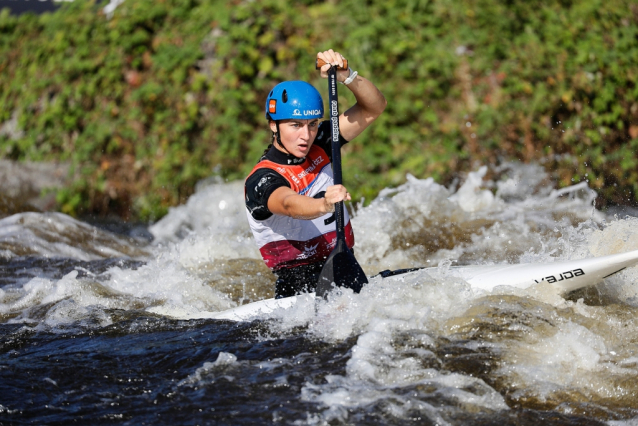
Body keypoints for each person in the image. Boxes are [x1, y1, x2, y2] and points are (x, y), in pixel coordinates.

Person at [245, 49, 386, 298]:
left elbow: (373, 108)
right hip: (297, 290)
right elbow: (287, 203)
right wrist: (323, 204)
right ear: (273, 125)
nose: (306, 135)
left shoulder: (322, 141)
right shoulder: (261, 179)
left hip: (345, 267)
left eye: (312, 125)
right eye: (295, 125)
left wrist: (347, 76)